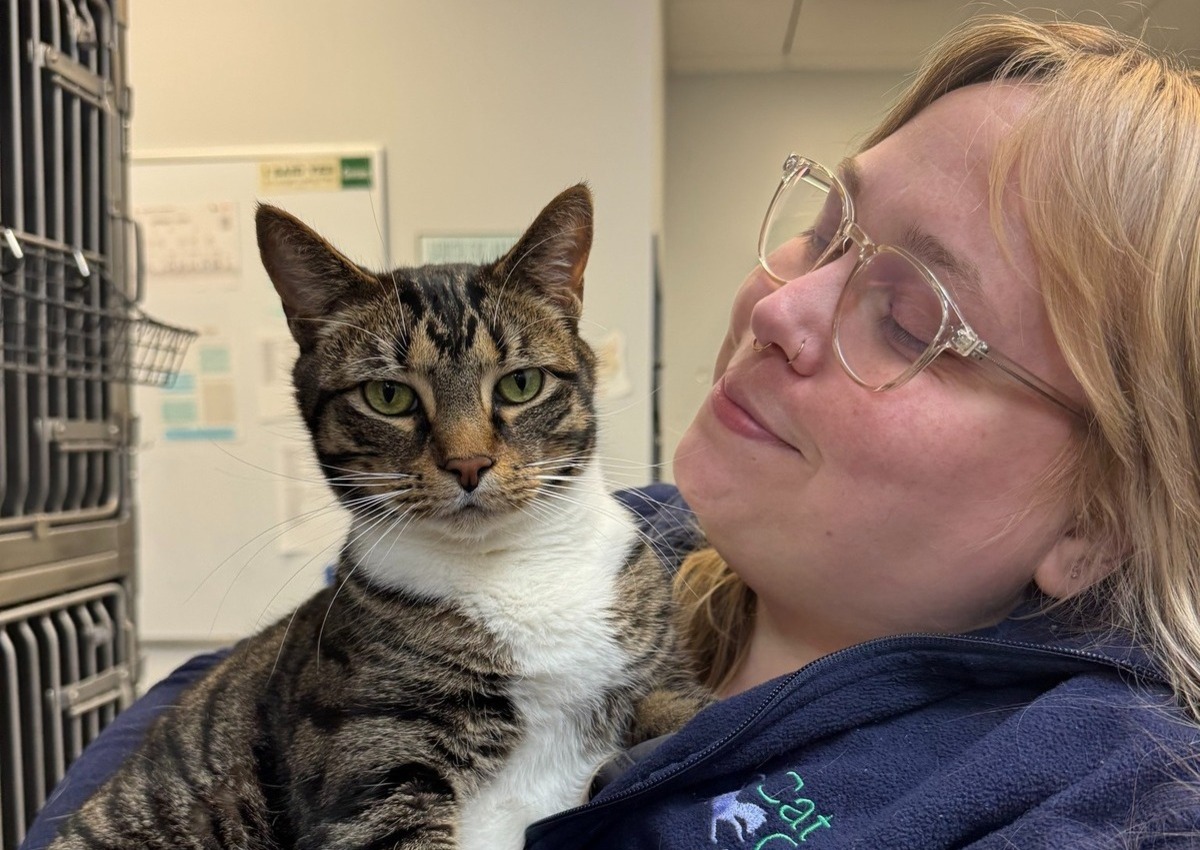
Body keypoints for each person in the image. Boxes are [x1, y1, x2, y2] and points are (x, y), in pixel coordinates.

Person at [22, 13, 1200, 849]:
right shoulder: (618, 539)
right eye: (827, 229)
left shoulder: (1106, 788)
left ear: (1098, 522)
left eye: (909, 314)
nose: (777, 305)